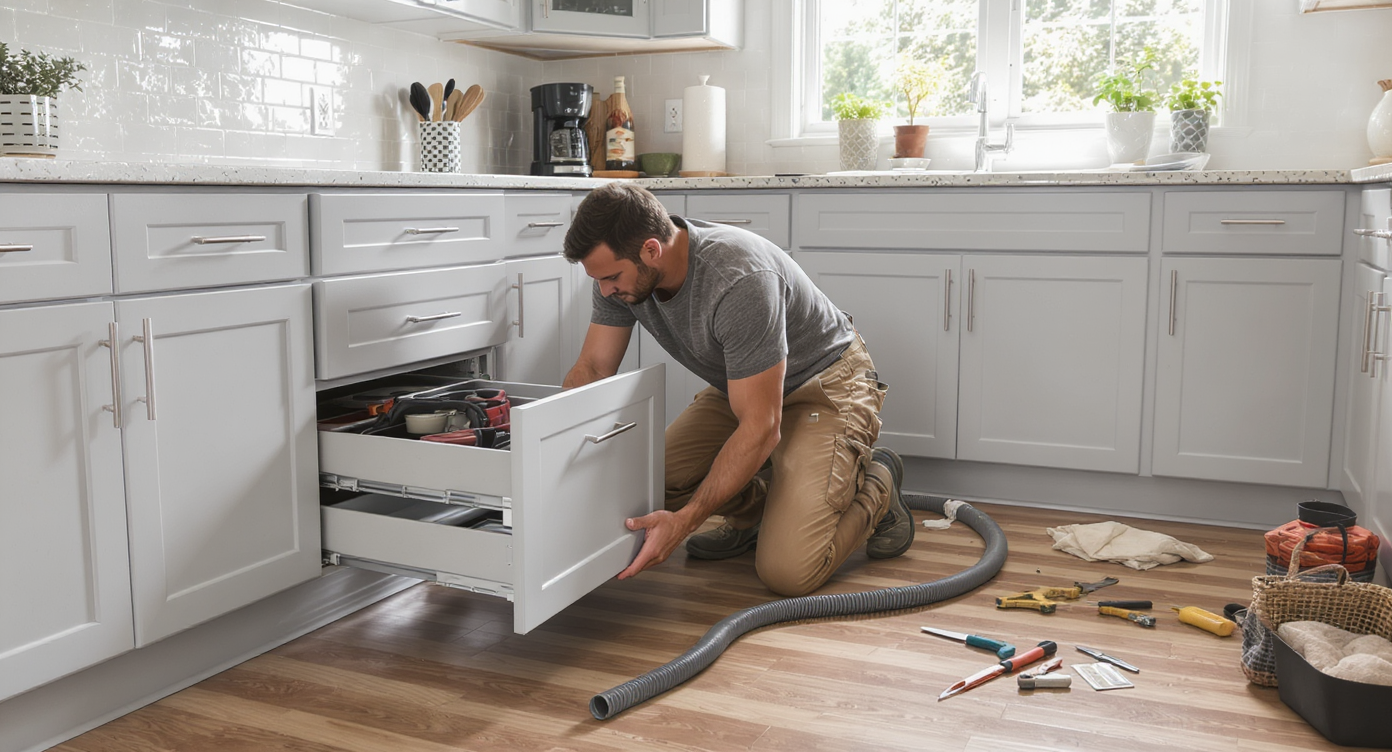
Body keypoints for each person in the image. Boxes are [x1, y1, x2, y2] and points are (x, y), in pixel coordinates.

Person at [561, 183, 912, 597]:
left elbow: (761, 427)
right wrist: (557, 455)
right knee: (651, 480)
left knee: (789, 571)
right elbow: (594, 366)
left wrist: (687, 520)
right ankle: (758, 518)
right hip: (745, 383)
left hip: (827, 384)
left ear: (652, 250)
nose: (605, 291)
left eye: (611, 277)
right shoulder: (622, 273)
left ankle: (877, 483)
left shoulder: (737, 278)